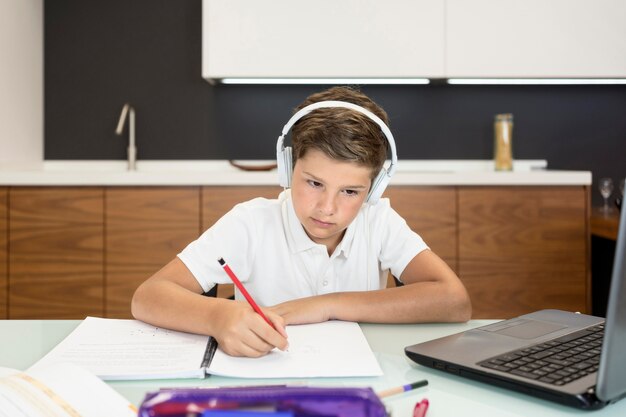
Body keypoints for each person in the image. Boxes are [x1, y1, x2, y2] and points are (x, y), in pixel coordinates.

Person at [131, 86, 471, 358]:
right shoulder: (250, 223)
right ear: (288, 167)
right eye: (314, 183)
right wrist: (218, 317)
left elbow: (455, 302)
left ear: (374, 189)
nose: (327, 207)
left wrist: (327, 305)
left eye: (350, 191)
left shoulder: (379, 221)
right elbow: (148, 297)